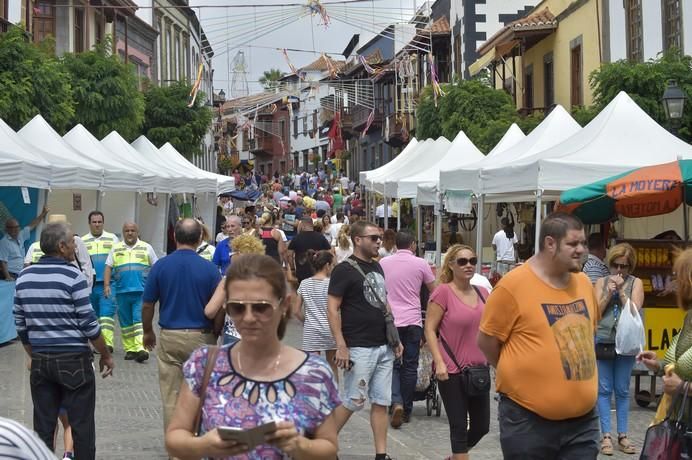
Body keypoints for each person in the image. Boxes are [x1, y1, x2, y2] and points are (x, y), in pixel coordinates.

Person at [165, 254, 340, 459]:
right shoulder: (204, 363)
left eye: (261, 307)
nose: (248, 318)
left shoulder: (314, 374)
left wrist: (299, 446)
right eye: (237, 308)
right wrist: (203, 445)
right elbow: (175, 437)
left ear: (284, 305)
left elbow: (329, 446)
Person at [477, 213, 599, 459]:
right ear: (550, 243)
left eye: (583, 243)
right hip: (527, 422)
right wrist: (519, 370)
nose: (581, 250)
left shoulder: (584, 283)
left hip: (583, 425)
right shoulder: (513, 286)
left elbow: (588, 335)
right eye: (573, 244)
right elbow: (487, 342)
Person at [13, 222, 114, 459]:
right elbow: (89, 324)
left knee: (44, 427)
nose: (74, 248)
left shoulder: (24, 277)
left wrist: (34, 353)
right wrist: (106, 354)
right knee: (82, 427)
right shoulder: (73, 276)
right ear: (61, 246)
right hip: (74, 362)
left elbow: (21, 325)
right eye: (71, 243)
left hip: (41, 362)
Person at [327, 220, 403, 460]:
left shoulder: (377, 267)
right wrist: (341, 345)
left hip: (383, 344)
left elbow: (384, 301)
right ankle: (324, 445)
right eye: (373, 237)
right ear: (358, 240)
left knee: (381, 402)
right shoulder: (344, 269)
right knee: (353, 400)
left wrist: (395, 337)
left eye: (379, 237)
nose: (378, 242)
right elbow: (332, 308)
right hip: (358, 346)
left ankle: (382, 454)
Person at [142, 218, 221, 432]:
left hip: (170, 335)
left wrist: (148, 331)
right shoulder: (211, 270)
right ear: (200, 238)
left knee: (171, 395)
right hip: (202, 336)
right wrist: (217, 330)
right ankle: (198, 441)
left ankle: (176, 448)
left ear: (174, 236)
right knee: (203, 393)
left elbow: (148, 304)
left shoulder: (161, 266)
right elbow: (219, 307)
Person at [424, 244, 490, 459]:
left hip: (478, 370)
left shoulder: (483, 293)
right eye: (462, 261)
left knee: (482, 426)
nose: (469, 265)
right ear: (451, 265)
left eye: (473, 260)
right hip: (451, 370)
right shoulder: (443, 292)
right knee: (459, 426)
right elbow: (430, 329)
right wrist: (439, 361)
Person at [380, 231, 436, 428]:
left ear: (395, 244)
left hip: (390, 321)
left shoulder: (383, 263)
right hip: (413, 320)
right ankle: (407, 407)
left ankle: (396, 402)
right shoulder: (421, 264)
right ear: (412, 244)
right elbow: (434, 291)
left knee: (393, 363)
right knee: (410, 365)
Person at [593, 243, 644, 455]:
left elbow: (635, 311)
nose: (619, 270)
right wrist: (608, 293)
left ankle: (622, 435)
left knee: (622, 390)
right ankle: (606, 436)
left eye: (624, 266)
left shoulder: (636, 283)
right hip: (604, 340)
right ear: (610, 263)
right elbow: (595, 311)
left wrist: (622, 292)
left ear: (630, 266)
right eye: (615, 265)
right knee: (603, 390)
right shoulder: (601, 281)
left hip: (626, 344)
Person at [638, 248, 692, 429]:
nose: (675, 282)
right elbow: (684, 365)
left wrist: (683, 387)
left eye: (679, 275)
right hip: (680, 423)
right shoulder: (689, 317)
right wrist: (659, 365)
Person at [103, 222, 157, 362]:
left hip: (141, 291)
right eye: (127, 230)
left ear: (137, 232)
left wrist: (156, 286)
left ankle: (141, 349)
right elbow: (108, 267)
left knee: (138, 320)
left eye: (132, 230)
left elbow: (156, 267)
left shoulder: (146, 248)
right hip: (121, 292)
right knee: (126, 322)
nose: (130, 233)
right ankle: (130, 349)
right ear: (123, 232)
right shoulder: (116, 249)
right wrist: (107, 285)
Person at [204, 233, 266, 347]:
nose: (229, 256)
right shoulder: (266, 281)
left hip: (233, 336)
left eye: (231, 253)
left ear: (239, 254)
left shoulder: (229, 281)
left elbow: (210, 311)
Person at [295, 250, 338, 378]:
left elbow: (296, 310)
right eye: (332, 265)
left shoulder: (304, 283)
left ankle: (314, 394)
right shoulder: (332, 284)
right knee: (332, 365)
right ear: (327, 265)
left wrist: (305, 321)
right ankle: (333, 392)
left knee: (312, 366)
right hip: (329, 329)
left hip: (311, 330)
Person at [82, 211, 119, 352]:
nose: (97, 225)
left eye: (99, 222)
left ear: (103, 222)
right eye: (94, 222)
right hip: (90, 285)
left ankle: (107, 344)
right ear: (89, 223)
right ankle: (94, 344)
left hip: (108, 284)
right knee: (92, 316)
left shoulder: (112, 239)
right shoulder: (83, 240)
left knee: (106, 315)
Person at [0, 206, 49, 280]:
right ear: (7, 229)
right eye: (12, 227)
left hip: (21, 272)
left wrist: (43, 214)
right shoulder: (4, 242)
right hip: (11, 274)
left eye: (17, 227)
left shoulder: (21, 235)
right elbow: (3, 261)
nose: (15, 229)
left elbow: (32, 225)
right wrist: (7, 277)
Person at [288, 217, 331, 283]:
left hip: (302, 273)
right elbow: (329, 253)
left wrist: (292, 268)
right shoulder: (320, 237)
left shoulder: (296, 238)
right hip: (318, 273)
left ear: (302, 225)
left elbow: (289, 255)